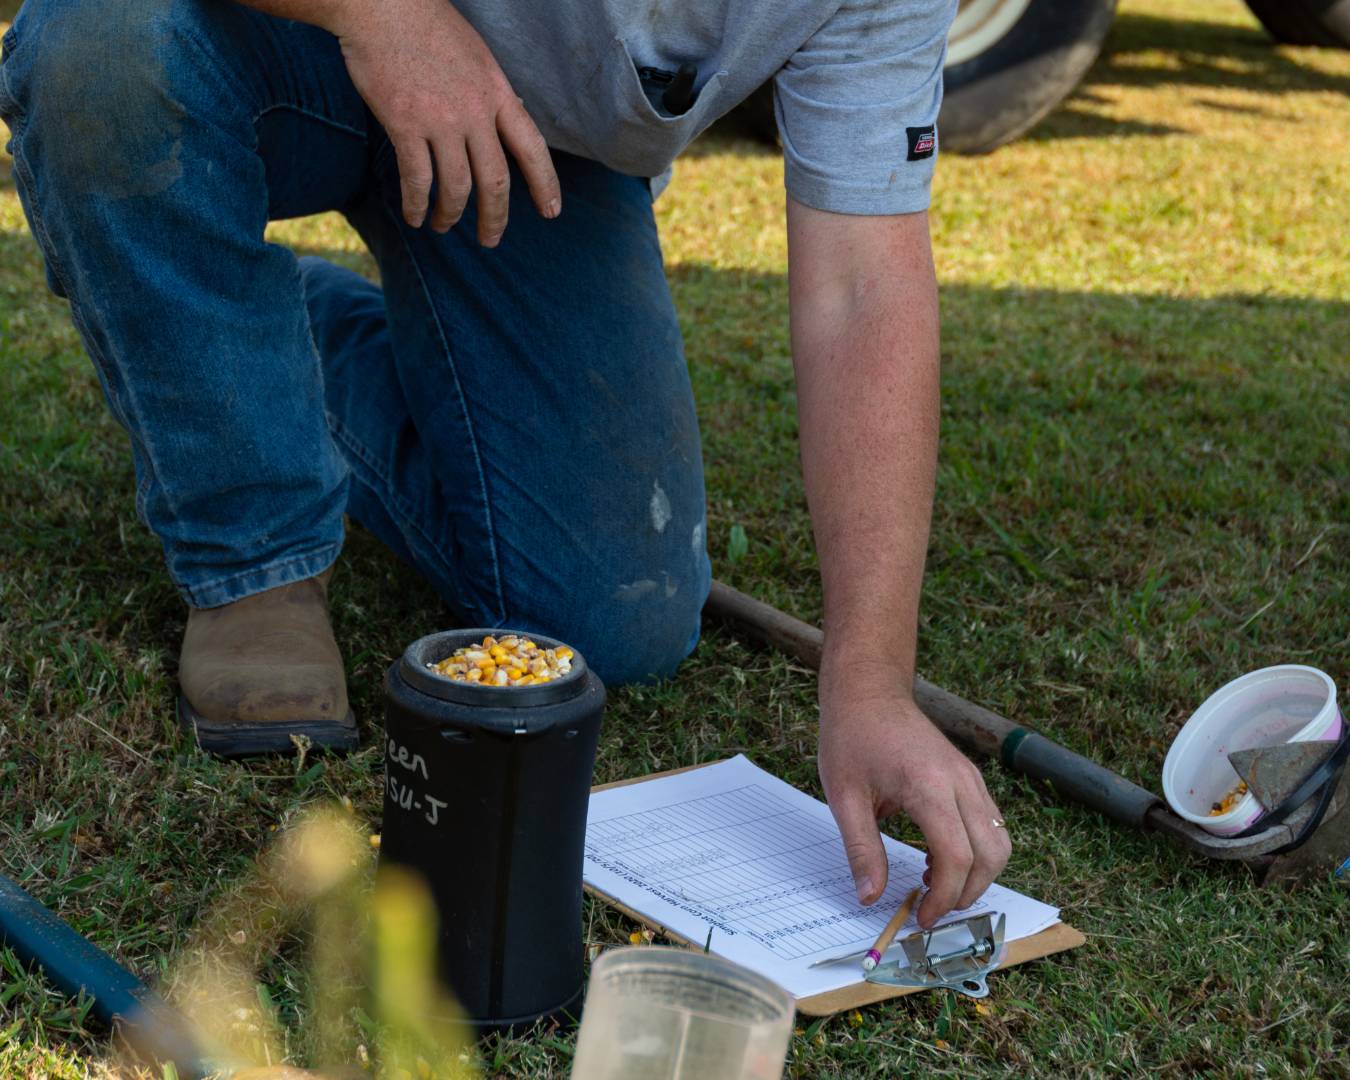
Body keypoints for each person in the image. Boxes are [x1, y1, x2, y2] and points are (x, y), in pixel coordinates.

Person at [0, 0, 1010, 929]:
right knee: (100, 48)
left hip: (536, 145)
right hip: (289, 34)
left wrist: (873, 680)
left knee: (613, 623)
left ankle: (251, 343)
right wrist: (382, 18)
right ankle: (252, 556)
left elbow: (861, 283)